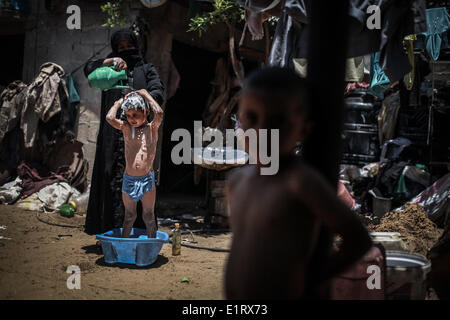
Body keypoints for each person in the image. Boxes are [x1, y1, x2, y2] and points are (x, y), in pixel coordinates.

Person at [224, 67, 372, 299]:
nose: (262, 131)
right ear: (239, 121)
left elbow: (358, 239)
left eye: (277, 121)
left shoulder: (300, 183)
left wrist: (313, 278)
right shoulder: (237, 181)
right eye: (251, 118)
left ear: (303, 129)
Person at [83, 28, 165, 236]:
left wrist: (143, 97)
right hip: (113, 135)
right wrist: (110, 61)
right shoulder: (110, 68)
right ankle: (109, 233)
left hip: (139, 135)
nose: (126, 50)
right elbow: (89, 69)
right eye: (121, 48)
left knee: (142, 184)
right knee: (110, 176)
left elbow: (158, 90)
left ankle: (141, 235)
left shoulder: (146, 70)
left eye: (129, 47)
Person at [106, 90, 163, 238]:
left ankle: (151, 247)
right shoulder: (127, 128)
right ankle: (124, 247)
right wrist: (118, 103)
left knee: (149, 216)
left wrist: (146, 95)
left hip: (147, 180)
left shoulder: (152, 128)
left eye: (136, 115)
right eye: (129, 115)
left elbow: (160, 113)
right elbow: (110, 118)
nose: (131, 119)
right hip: (129, 179)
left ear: (146, 112)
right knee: (129, 216)